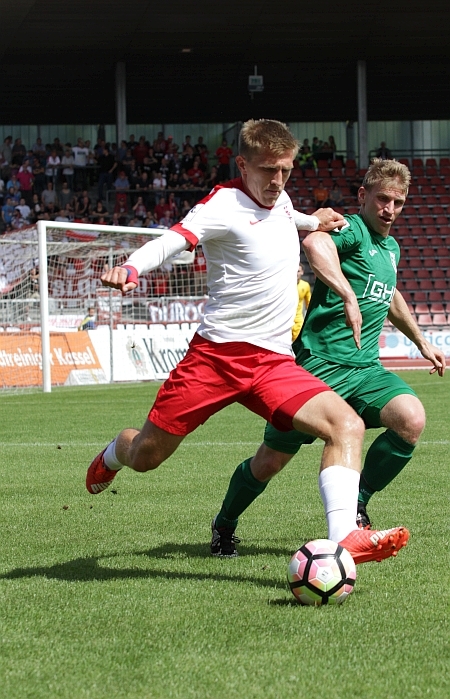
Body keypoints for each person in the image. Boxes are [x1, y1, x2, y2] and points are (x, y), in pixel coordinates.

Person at [86, 119, 408, 566]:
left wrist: (314, 220)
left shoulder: (281, 199)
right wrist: (131, 267)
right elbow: (172, 240)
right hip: (215, 359)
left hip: (274, 362)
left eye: (286, 170)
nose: (277, 180)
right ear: (243, 164)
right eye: (268, 170)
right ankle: (113, 454)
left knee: (346, 425)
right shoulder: (222, 204)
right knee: (146, 456)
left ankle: (344, 538)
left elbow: (287, 216)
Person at [213, 157, 444, 555]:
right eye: (382, 199)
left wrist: (422, 342)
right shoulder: (351, 229)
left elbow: (390, 295)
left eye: (398, 202)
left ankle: (356, 505)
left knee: (411, 419)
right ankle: (224, 523)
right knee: (270, 461)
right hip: (319, 367)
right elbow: (314, 243)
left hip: (365, 369)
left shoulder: (390, 248)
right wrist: (347, 294)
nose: (389, 209)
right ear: (363, 196)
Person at [292, 263, 311, 342]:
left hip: (298, 320)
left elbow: (309, 304)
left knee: (297, 343)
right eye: (294, 271)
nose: (296, 273)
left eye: (298, 271)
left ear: (302, 272)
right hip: (285, 319)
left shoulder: (305, 285)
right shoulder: (285, 285)